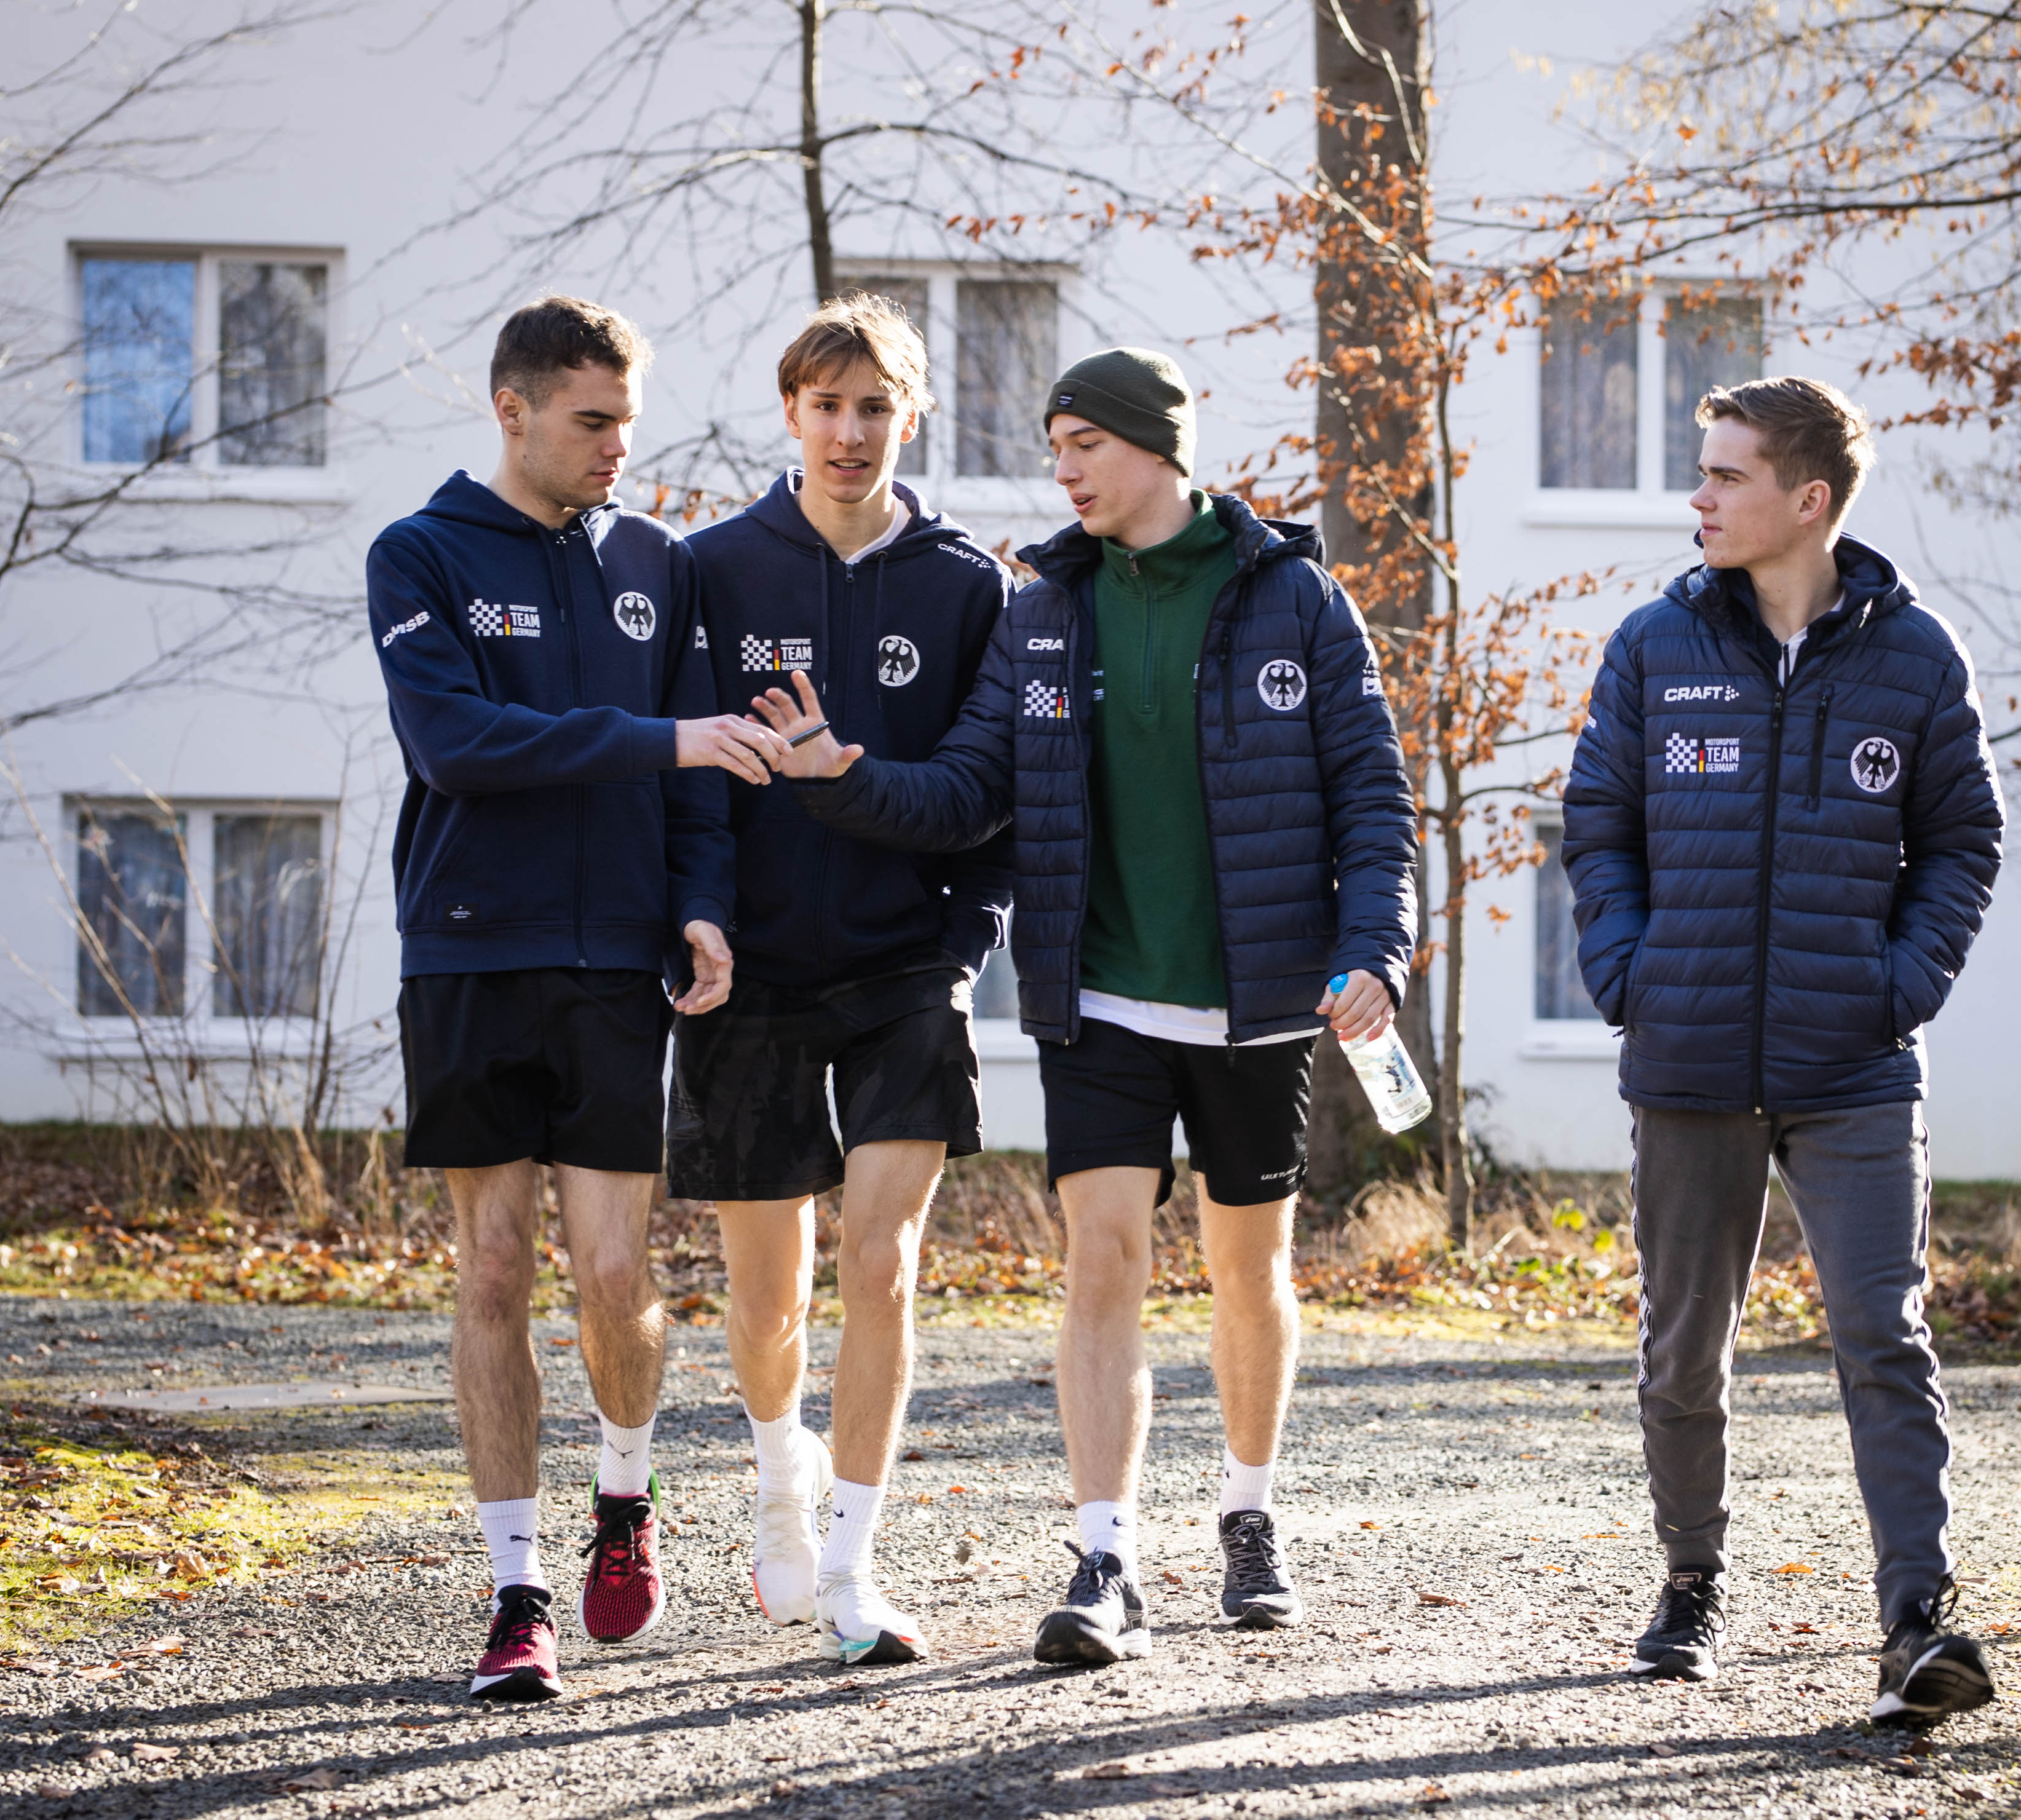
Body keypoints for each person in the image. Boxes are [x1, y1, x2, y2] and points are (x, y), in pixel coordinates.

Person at [755, 346, 1417, 1668]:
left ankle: (1248, 1514)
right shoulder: (1045, 608)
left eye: (1083, 445)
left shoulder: (1294, 596)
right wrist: (842, 776)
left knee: (1250, 1271)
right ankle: (1106, 1554)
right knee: (1102, 1259)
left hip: (1259, 1002)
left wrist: (1374, 951)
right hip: (1097, 996)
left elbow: (1372, 795)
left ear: (1156, 448)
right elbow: (967, 790)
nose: (1061, 470)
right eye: (1054, 446)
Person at [1559, 376, 2003, 1725]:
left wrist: (1900, 984)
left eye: (1725, 475)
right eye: (1702, 472)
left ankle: (1916, 1619)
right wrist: (1631, 973)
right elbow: (1598, 826)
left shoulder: (1915, 658)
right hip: (1689, 1052)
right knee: (1684, 1346)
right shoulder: (1657, 646)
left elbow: (1963, 840)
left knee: (1883, 1335)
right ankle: (1691, 1583)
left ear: (1808, 500)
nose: (1697, 497)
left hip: (1853, 1062)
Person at [365, 295, 789, 1702]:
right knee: (493, 1270)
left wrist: (703, 902)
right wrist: (661, 738)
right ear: (514, 409)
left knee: (614, 1274)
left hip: (616, 959)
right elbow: (457, 741)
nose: (618, 447)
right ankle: (516, 1591)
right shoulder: (419, 552)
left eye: (628, 422)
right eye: (592, 421)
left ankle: (623, 1490)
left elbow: (703, 777)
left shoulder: (657, 565)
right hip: (468, 951)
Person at [669, 293, 1013, 1667]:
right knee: (770, 1305)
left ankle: (858, 1567)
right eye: (828, 406)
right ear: (791, 413)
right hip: (751, 975)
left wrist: (961, 950)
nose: (851, 432)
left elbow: (992, 797)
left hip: (903, 970)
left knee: (884, 1262)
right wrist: (699, 916)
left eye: (877, 407)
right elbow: (687, 785)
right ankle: (779, 1478)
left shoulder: (970, 586)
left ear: (911, 416)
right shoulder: (711, 570)